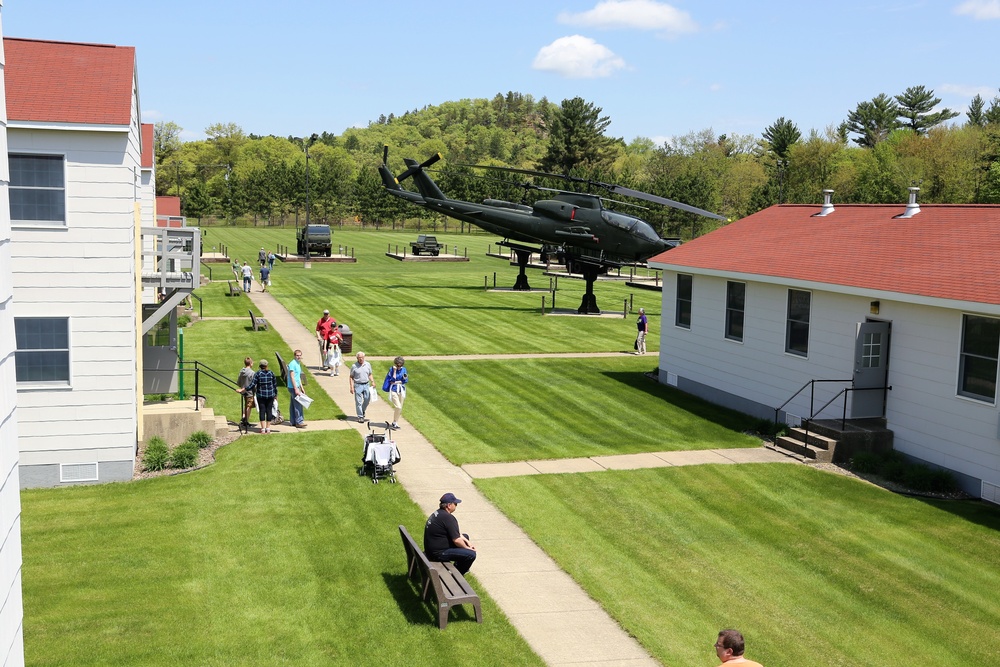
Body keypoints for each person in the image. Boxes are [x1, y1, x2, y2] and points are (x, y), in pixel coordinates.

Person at [423, 492, 476, 574]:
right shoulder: (448, 518)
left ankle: (457, 566)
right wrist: (468, 548)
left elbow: (456, 533)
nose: (456, 506)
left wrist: (468, 543)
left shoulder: (439, 513)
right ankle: (457, 574)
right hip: (437, 553)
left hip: (432, 548)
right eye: (455, 504)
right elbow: (457, 540)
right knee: (471, 555)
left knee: (465, 537)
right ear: (449, 505)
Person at [236, 359, 278, 434]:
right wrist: (276, 394)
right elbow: (275, 385)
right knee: (269, 411)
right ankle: (268, 428)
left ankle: (262, 429)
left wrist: (243, 389)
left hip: (261, 395)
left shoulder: (258, 374)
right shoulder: (271, 373)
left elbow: (252, 385)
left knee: (262, 411)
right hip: (270, 395)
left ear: (260, 366)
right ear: (266, 366)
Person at [383, 356, 408, 429]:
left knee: (400, 408)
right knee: (398, 406)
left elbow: (405, 380)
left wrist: (397, 382)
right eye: (397, 364)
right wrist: (394, 371)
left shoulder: (404, 370)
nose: (398, 366)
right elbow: (392, 380)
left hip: (401, 390)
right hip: (393, 389)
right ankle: (395, 422)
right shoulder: (391, 369)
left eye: (400, 364)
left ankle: (395, 422)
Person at [349, 351, 374, 422]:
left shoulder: (368, 364)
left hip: (366, 384)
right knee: (358, 402)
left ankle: (362, 410)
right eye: (359, 358)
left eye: (362, 357)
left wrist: (372, 381)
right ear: (357, 358)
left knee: (367, 399)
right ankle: (360, 416)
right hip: (358, 385)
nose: (361, 359)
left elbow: (370, 374)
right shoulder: (354, 366)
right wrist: (351, 387)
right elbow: (351, 377)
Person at [286, 349, 307, 428]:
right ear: (294, 356)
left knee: (293, 404)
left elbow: (298, 377)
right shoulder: (292, 364)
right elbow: (292, 377)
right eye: (297, 355)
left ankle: (293, 421)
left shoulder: (298, 364)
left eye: (300, 355)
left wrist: (301, 387)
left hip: (297, 386)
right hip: (293, 387)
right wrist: (296, 388)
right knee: (298, 404)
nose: (299, 357)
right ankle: (299, 421)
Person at [236, 356, 256, 429]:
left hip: (243, 391)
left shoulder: (242, 371)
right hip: (250, 392)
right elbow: (254, 384)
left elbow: (238, 382)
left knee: (246, 405)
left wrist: (242, 387)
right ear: (250, 363)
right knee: (249, 406)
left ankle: (244, 417)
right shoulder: (252, 373)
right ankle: (245, 420)